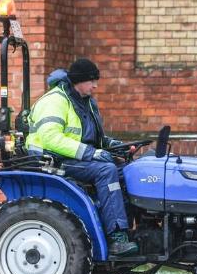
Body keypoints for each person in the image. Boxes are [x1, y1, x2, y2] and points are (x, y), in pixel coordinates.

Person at [25, 58, 138, 256]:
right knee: (106, 170)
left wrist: (114, 146)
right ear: (78, 80)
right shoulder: (55, 101)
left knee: (128, 170)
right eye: (91, 81)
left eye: (96, 81)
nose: (95, 85)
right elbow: (50, 138)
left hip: (77, 158)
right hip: (53, 160)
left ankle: (132, 228)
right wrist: (92, 153)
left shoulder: (86, 103)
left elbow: (93, 137)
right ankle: (116, 237)